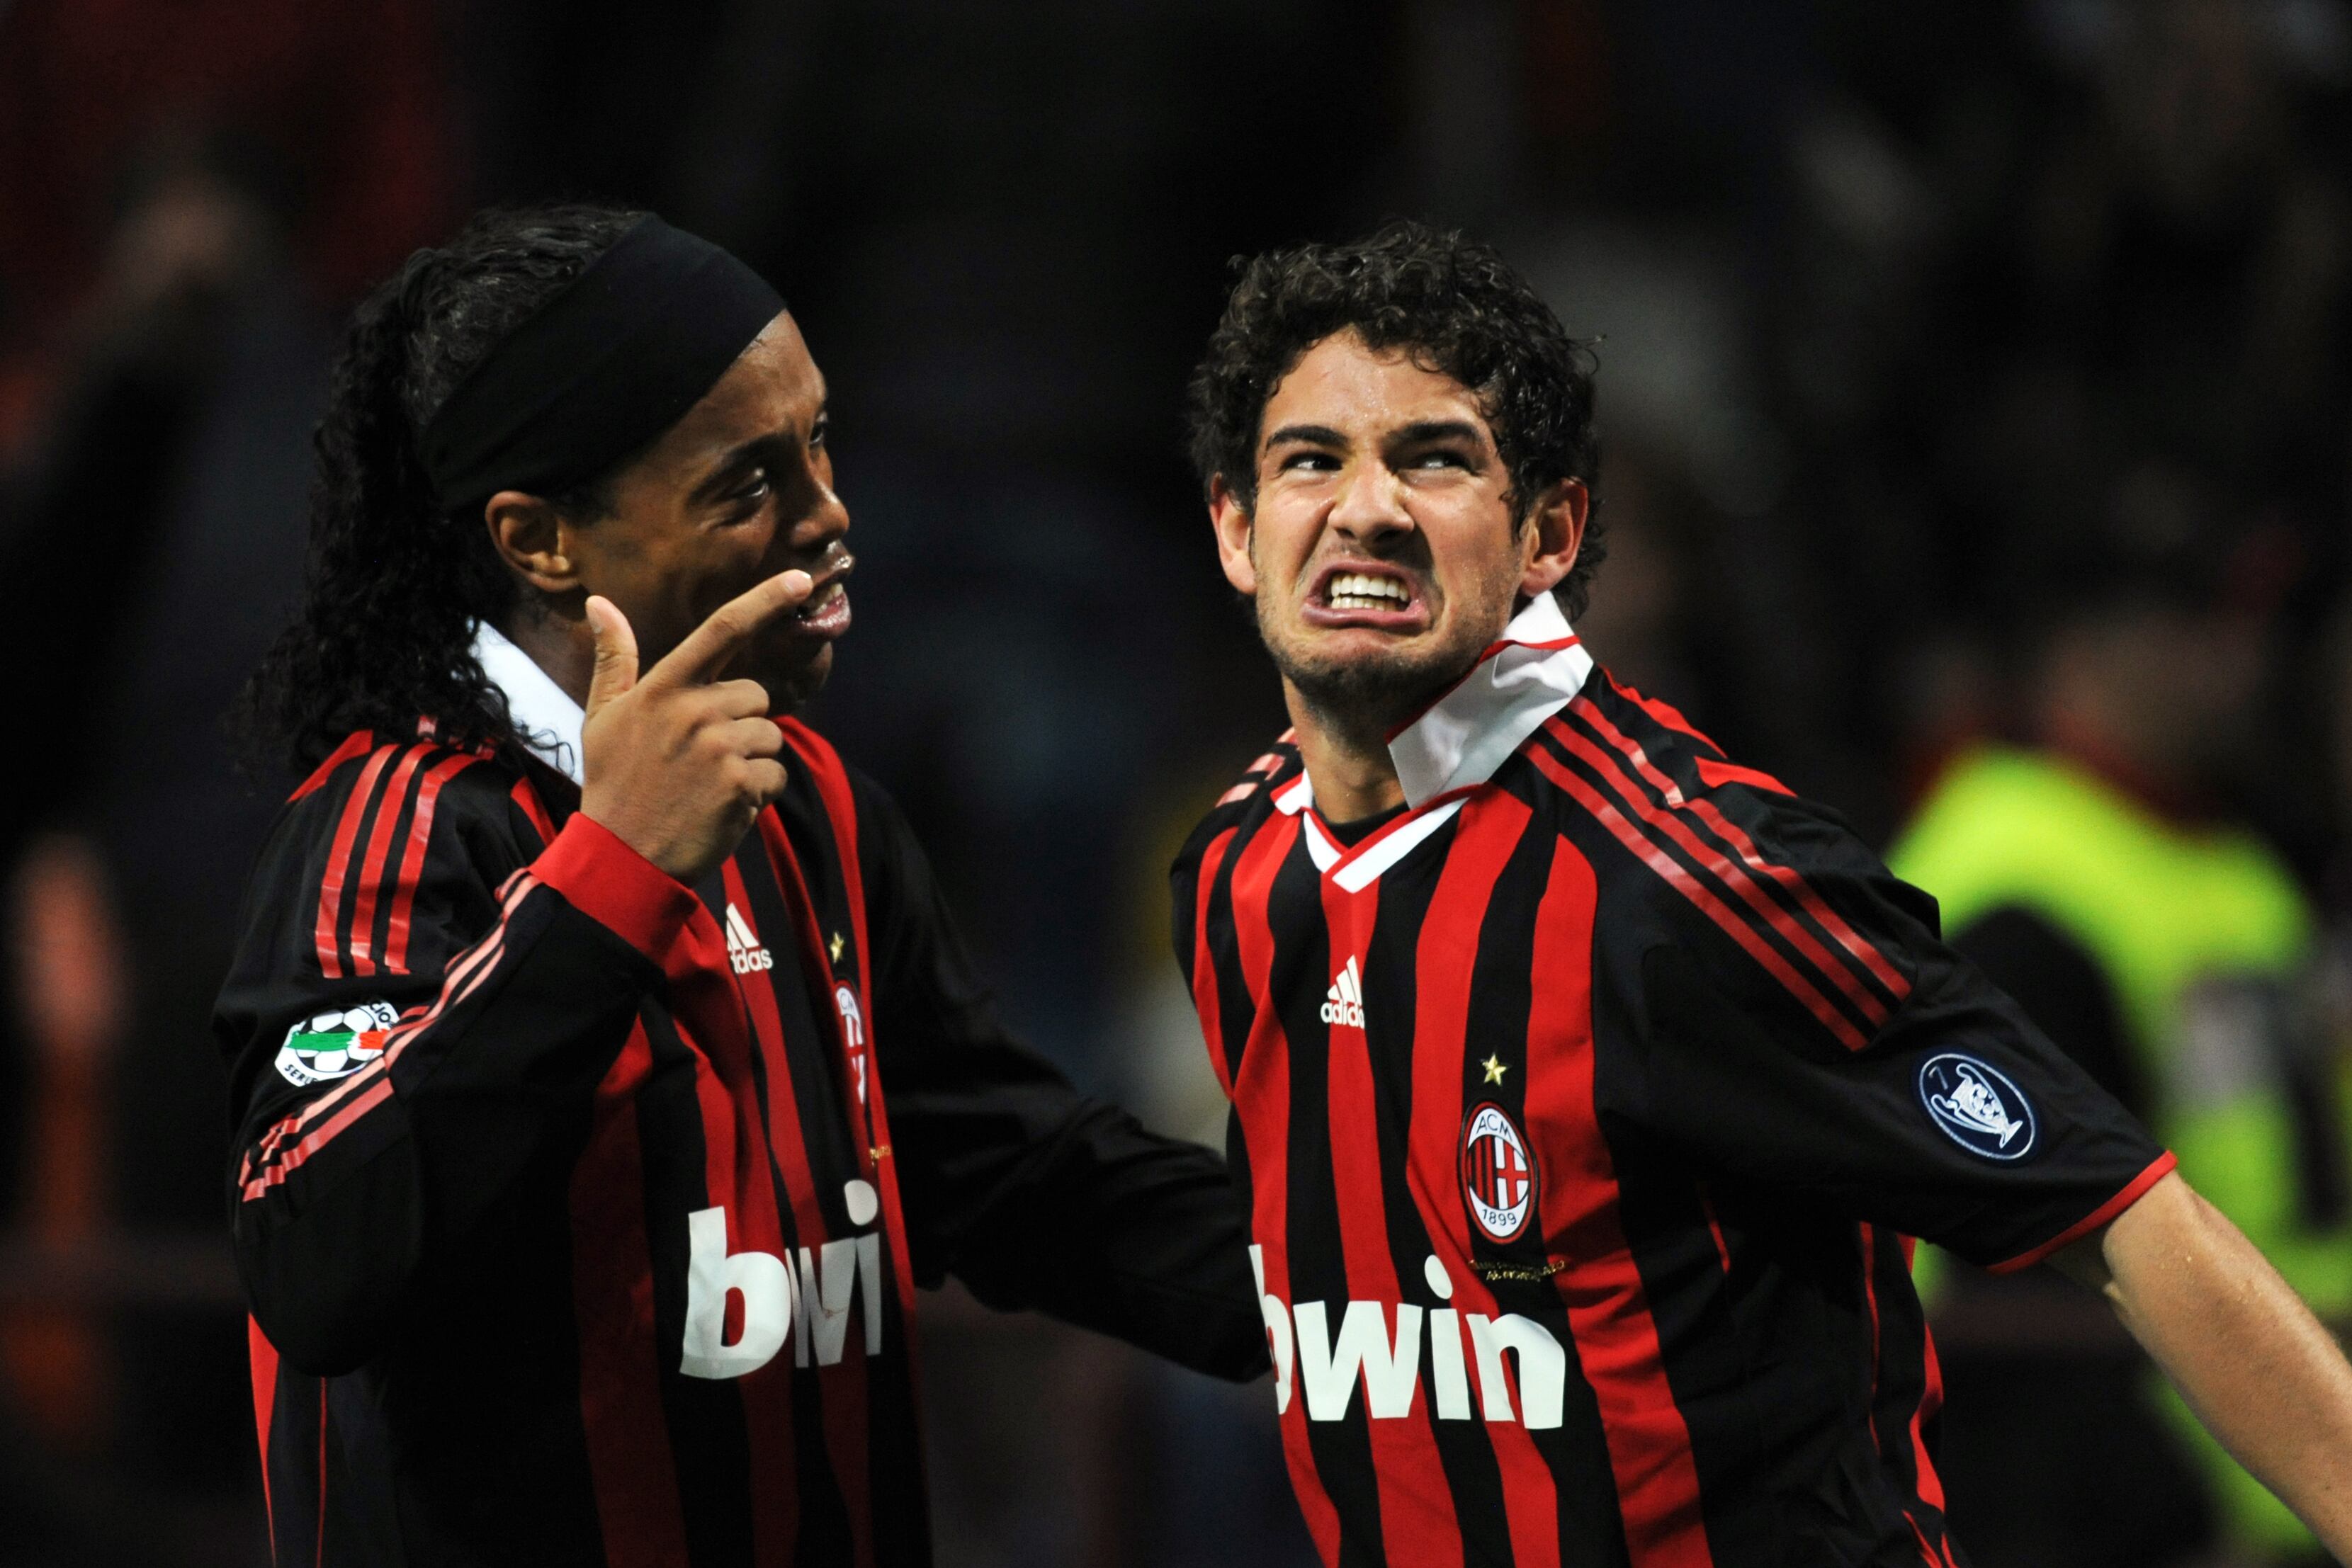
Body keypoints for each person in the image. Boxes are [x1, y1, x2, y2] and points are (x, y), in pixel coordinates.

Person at [1168, 221, 2352, 1566]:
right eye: (1309, 459)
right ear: (1234, 526)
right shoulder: (1232, 874)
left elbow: (2128, 1219)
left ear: (1551, 531)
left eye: (1435, 457)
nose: (1366, 505)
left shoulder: (1694, 881)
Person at [217, 204, 1265, 1567]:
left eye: (819, 440)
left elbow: (1009, 1172)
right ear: (542, 542)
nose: (831, 513)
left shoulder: (814, 804)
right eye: (747, 481)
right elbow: (319, 1252)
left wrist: (1354, 1287)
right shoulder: (399, 831)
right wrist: (613, 877)